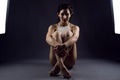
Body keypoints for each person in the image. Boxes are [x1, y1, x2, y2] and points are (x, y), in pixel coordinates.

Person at [46, 3, 80, 79]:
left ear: (70, 14)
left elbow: (75, 38)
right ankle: (61, 66)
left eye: (67, 14)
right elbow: (47, 38)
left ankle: (58, 67)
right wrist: (58, 45)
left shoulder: (75, 27)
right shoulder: (53, 27)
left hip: (70, 60)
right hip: (55, 60)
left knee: (69, 34)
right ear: (58, 14)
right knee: (56, 34)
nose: (64, 17)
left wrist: (63, 46)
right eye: (62, 14)